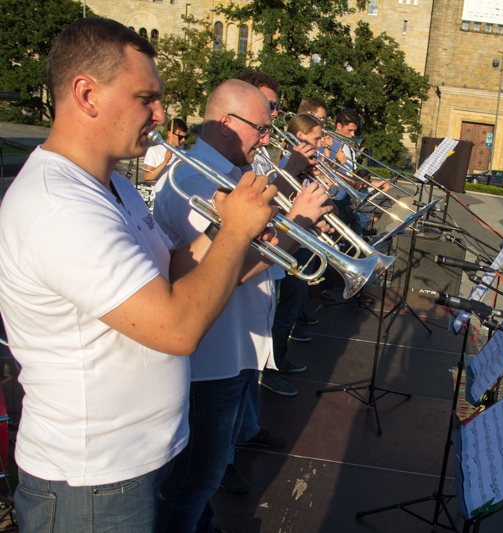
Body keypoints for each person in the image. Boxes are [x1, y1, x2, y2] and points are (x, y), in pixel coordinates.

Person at [0, 19, 278, 532]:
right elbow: (176, 328)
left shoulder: (113, 187)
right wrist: (237, 233)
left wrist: (227, 230)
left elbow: (167, 269)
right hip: (94, 480)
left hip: (133, 462)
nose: (162, 114)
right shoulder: (60, 206)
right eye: (146, 97)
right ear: (87, 94)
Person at [153, 80, 330, 533]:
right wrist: (298, 223)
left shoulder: (230, 172)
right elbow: (228, 266)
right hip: (210, 359)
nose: (269, 138)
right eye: (262, 128)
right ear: (228, 123)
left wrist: (292, 202)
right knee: (195, 479)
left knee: (206, 477)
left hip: (235, 349)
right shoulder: (193, 178)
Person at [261, 112, 327, 398]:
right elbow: (277, 205)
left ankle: (279, 361)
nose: (322, 142)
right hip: (283, 248)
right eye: (316, 137)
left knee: (287, 310)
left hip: (299, 244)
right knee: (280, 314)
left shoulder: (299, 169)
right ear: (300, 138)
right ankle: (271, 370)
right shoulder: (280, 167)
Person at [144, 117, 188, 182]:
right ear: (169, 133)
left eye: (185, 137)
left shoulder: (184, 154)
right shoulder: (154, 151)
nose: (183, 140)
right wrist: (165, 162)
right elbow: (147, 177)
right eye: (180, 137)